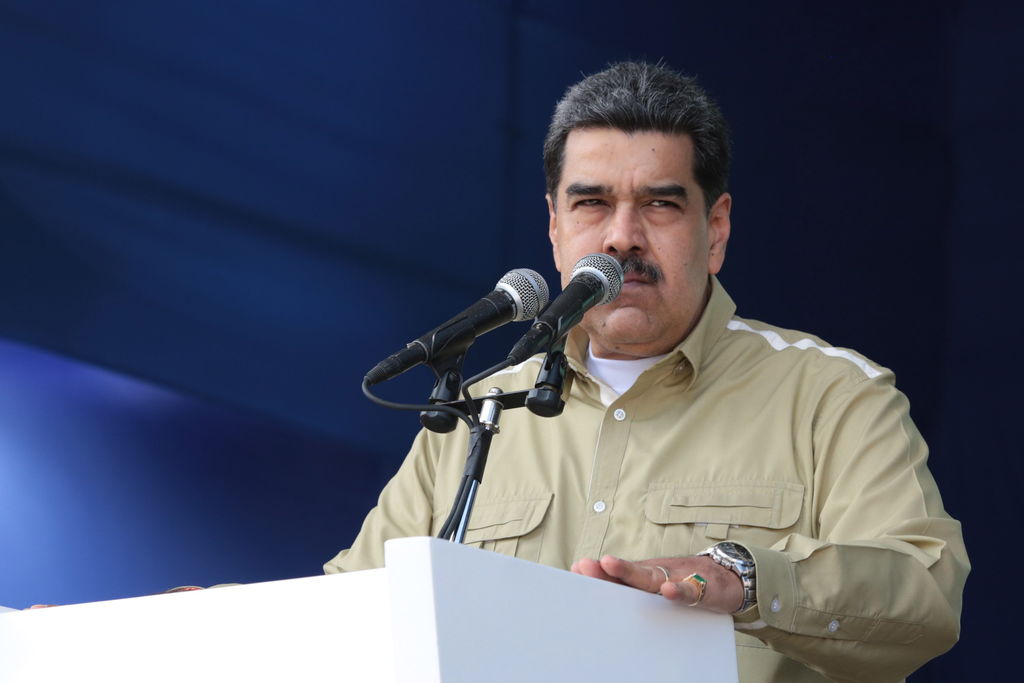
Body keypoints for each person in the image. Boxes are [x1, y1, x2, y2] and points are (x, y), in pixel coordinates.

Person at [325, 61, 969, 682]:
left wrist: (746, 581)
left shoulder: (831, 395)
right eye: (592, 203)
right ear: (554, 229)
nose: (622, 237)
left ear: (716, 230)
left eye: (659, 204)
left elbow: (926, 594)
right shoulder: (480, 410)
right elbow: (345, 617)